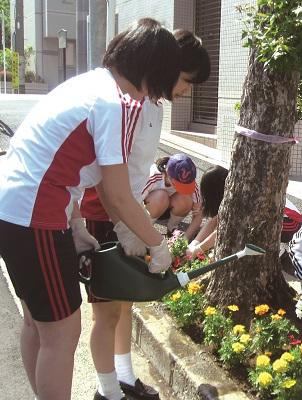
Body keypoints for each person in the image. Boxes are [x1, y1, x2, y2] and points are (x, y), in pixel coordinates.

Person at [0, 18, 178, 400]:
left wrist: (77, 221)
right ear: (153, 68)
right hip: (37, 215)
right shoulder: (113, 102)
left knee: (38, 324)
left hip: (16, 208)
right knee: (61, 333)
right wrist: (156, 243)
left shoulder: (90, 84)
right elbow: (115, 192)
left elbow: (75, 166)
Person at [80, 29, 210, 400]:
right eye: (186, 80)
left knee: (124, 303)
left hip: (128, 213)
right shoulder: (129, 103)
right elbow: (107, 174)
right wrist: (126, 222)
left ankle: (122, 377)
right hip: (105, 213)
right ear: (166, 66)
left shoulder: (152, 104)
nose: (187, 90)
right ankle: (107, 392)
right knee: (106, 311)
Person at [186, 165, 302, 257]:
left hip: (291, 223)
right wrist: (194, 243)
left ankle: (274, 250)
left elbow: (223, 230)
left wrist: (198, 250)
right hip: (284, 219)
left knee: (245, 230)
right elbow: (214, 220)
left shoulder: (238, 198)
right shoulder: (232, 188)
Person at [142, 153, 203, 238]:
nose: (185, 187)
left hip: (169, 210)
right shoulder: (153, 177)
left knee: (186, 199)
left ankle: (172, 229)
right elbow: (135, 203)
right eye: (180, 185)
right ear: (169, 177)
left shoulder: (188, 180)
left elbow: (198, 214)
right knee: (161, 196)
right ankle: (145, 230)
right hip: (149, 209)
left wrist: (185, 239)